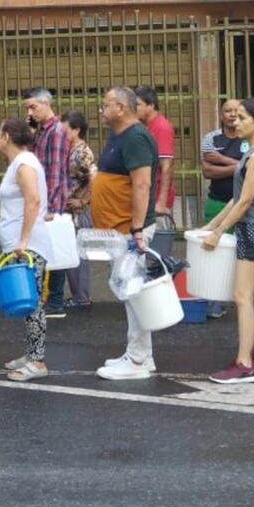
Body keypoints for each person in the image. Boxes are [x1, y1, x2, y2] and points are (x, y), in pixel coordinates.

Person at [199, 99, 254, 383]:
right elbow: (239, 196)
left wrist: (219, 233)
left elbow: (244, 201)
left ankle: (244, 363)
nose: (236, 121)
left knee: (243, 297)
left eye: (243, 118)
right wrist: (212, 224)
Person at [91, 87, 160, 381]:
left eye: (105, 105)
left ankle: (138, 359)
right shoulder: (119, 136)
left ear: (120, 107)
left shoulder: (136, 137)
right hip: (118, 229)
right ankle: (139, 353)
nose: (100, 110)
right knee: (128, 292)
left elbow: (141, 185)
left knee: (133, 292)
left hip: (130, 231)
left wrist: (137, 228)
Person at [0, 118, 57, 382]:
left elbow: (33, 199)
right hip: (21, 245)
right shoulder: (21, 163)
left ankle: (37, 361)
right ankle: (31, 354)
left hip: (27, 248)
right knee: (26, 300)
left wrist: (23, 240)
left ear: (6, 136)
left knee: (32, 304)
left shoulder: (23, 163)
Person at [23, 87, 70, 319]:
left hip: (50, 202)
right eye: (27, 108)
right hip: (40, 199)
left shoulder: (57, 131)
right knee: (45, 249)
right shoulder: (41, 131)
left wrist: (51, 206)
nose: (30, 112)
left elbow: (55, 171)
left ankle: (55, 302)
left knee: (55, 252)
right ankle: (47, 298)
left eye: (34, 107)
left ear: (47, 104)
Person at [199, 99, 243, 319]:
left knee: (240, 252)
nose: (232, 115)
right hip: (217, 202)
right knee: (213, 252)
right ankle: (213, 302)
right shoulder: (211, 138)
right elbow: (207, 171)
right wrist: (239, 165)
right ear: (221, 114)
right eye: (228, 111)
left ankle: (240, 297)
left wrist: (222, 161)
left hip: (244, 205)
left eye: (236, 110)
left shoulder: (249, 137)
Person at [62, 109, 95, 307]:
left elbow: (94, 179)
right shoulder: (71, 150)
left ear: (77, 130)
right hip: (70, 210)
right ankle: (78, 296)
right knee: (72, 252)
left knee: (78, 254)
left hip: (79, 212)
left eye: (65, 129)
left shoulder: (82, 153)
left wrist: (82, 201)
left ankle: (82, 297)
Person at [136, 86, 176, 219]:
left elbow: (166, 166)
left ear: (151, 105)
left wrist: (162, 201)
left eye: (138, 105)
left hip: (156, 199)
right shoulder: (145, 125)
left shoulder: (161, 127)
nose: (134, 108)